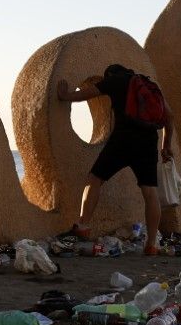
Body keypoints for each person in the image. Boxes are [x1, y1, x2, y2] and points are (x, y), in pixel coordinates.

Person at [57, 64, 173, 255]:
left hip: (123, 140)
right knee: (150, 192)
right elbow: (169, 116)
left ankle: (83, 225)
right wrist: (166, 145)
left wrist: (65, 96)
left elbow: (88, 93)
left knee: (95, 179)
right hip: (148, 142)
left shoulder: (115, 80)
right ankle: (152, 244)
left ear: (109, 74)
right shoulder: (148, 85)